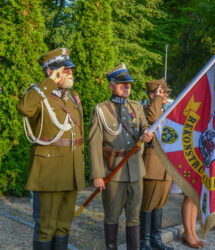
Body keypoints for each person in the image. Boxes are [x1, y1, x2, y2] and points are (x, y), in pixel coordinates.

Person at [17, 48, 85, 249]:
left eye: (71, 69)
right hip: (48, 173)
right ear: (50, 72)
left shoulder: (72, 97)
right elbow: (24, 108)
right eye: (65, 69)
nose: (70, 72)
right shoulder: (38, 94)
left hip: (70, 171)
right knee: (46, 227)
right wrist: (48, 84)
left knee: (64, 226)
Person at [88, 63, 154, 250]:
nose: (127, 87)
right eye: (122, 83)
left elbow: (144, 128)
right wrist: (98, 175)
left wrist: (149, 135)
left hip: (135, 169)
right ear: (111, 85)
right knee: (112, 216)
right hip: (113, 171)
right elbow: (93, 144)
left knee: (134, 217)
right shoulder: (101, 110)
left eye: (129, 83)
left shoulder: (136, 107)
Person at [140, 79, 173, 250]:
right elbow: (153, 120)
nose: (166, 95)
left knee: (160, 203)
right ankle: (144, 241)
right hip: (152, 165)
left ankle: (156, 239)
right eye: (162, 92)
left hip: (166, 166)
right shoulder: (147, 109)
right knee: (148, 203)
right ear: (152, 95)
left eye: (165, 93)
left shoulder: (164, 110)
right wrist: (157, 101)